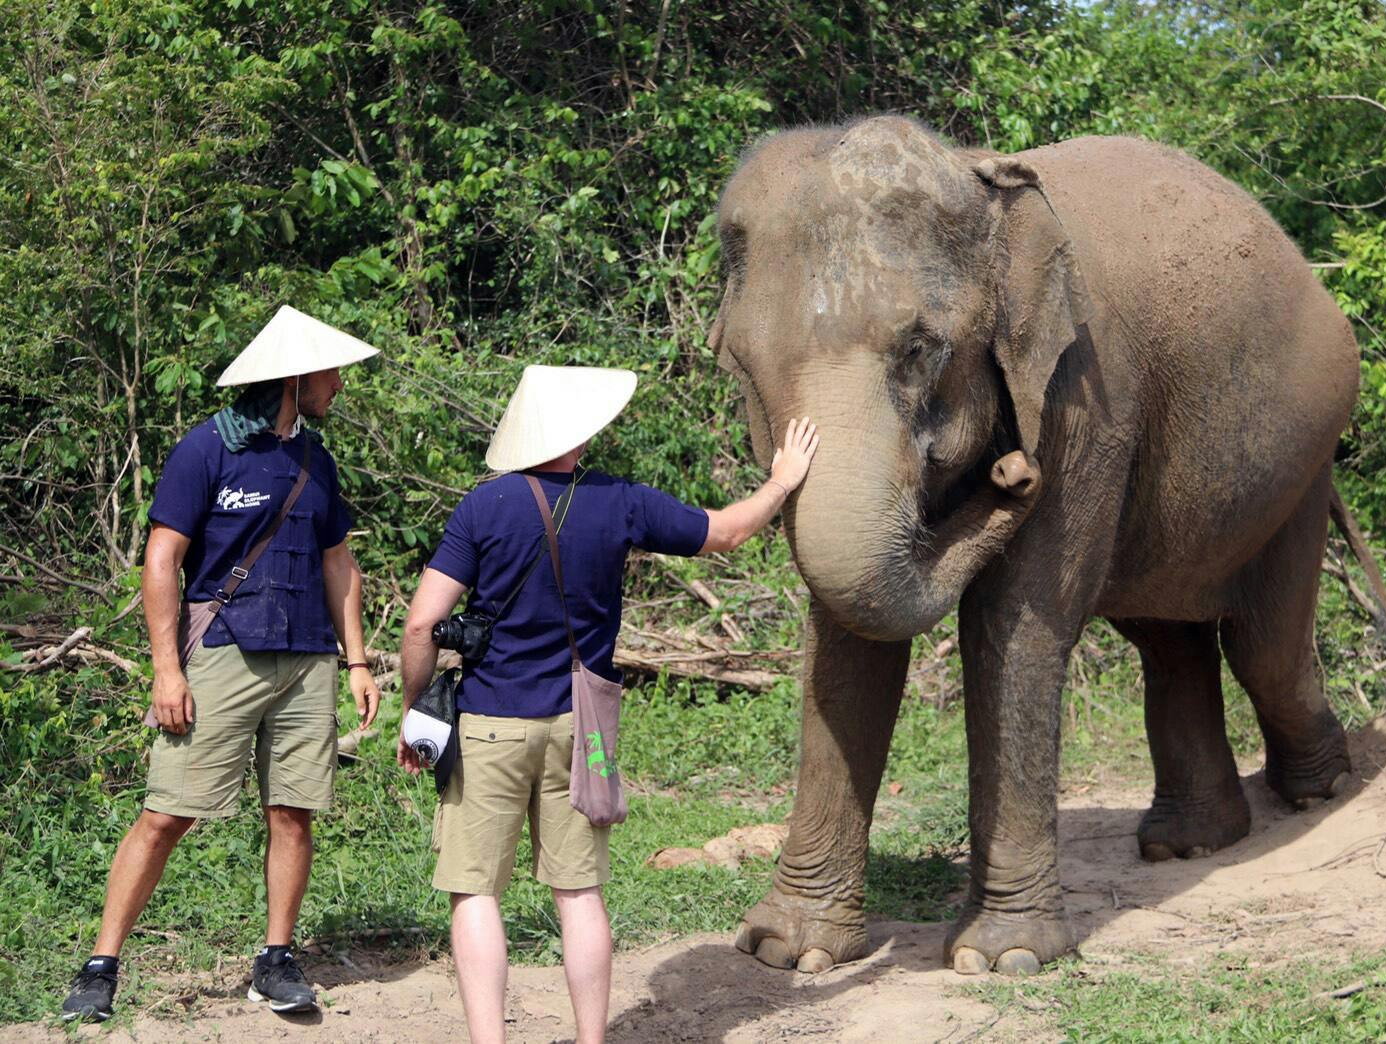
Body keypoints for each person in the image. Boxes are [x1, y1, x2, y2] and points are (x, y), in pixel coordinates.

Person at [398, 365, 818, 1044]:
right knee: (580, 893)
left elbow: (422, 625)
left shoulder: (482, 507)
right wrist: (781, 480)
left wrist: (418, 710)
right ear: (580, 435)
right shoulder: (620, 502)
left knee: (476, 893)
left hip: (488, 726)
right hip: (580, 725)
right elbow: (726, 532)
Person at [61, 306, 384, 1022]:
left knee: (292, 813)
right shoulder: (205, 450)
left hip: (306, 660)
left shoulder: (316, 460)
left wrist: (357, 660)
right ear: (295, 379)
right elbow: (163, 558)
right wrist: (166, 671)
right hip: (223, 651)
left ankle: (275, 961)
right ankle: (100, 966)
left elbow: (339, 561)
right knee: (167, 814)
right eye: (331, 373)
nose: (339, 385)